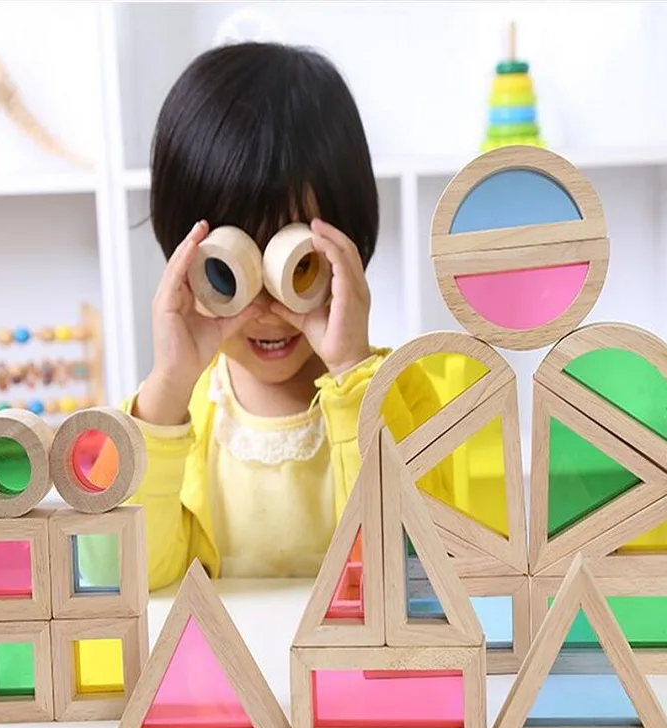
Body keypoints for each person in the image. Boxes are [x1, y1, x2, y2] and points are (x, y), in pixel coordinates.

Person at [91, 42, 449, 590]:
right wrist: (168, 386)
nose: (267, 309)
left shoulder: (397, 395)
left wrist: (353, 373)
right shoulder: (180, 413)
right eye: (227, 271)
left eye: (298, 266)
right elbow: (116, 574)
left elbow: (417, 568)